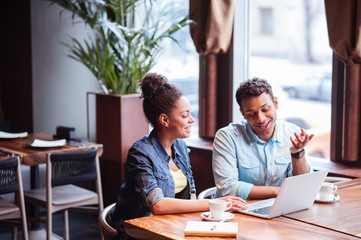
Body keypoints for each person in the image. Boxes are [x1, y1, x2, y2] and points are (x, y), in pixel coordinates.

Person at [110, 73, 247, 239]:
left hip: (169, 226)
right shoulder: (140, 153)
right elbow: (157, 205)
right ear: (164, 120)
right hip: (137, 232)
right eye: (184, 115)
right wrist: (214, 204)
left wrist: (201, 218)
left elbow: (191, 193)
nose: (192, 120)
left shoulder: (180, 145)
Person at [212, 77, 314, 200]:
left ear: (275, 103)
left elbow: (302, 183)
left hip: (279, 208)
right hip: (238, 210)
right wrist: (276, 192)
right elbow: (228, 187)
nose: (261, 119)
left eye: (265, 109)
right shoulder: (227, 137)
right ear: (242, 113)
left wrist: (298, 154)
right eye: (251, 114)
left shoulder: (293, 133)